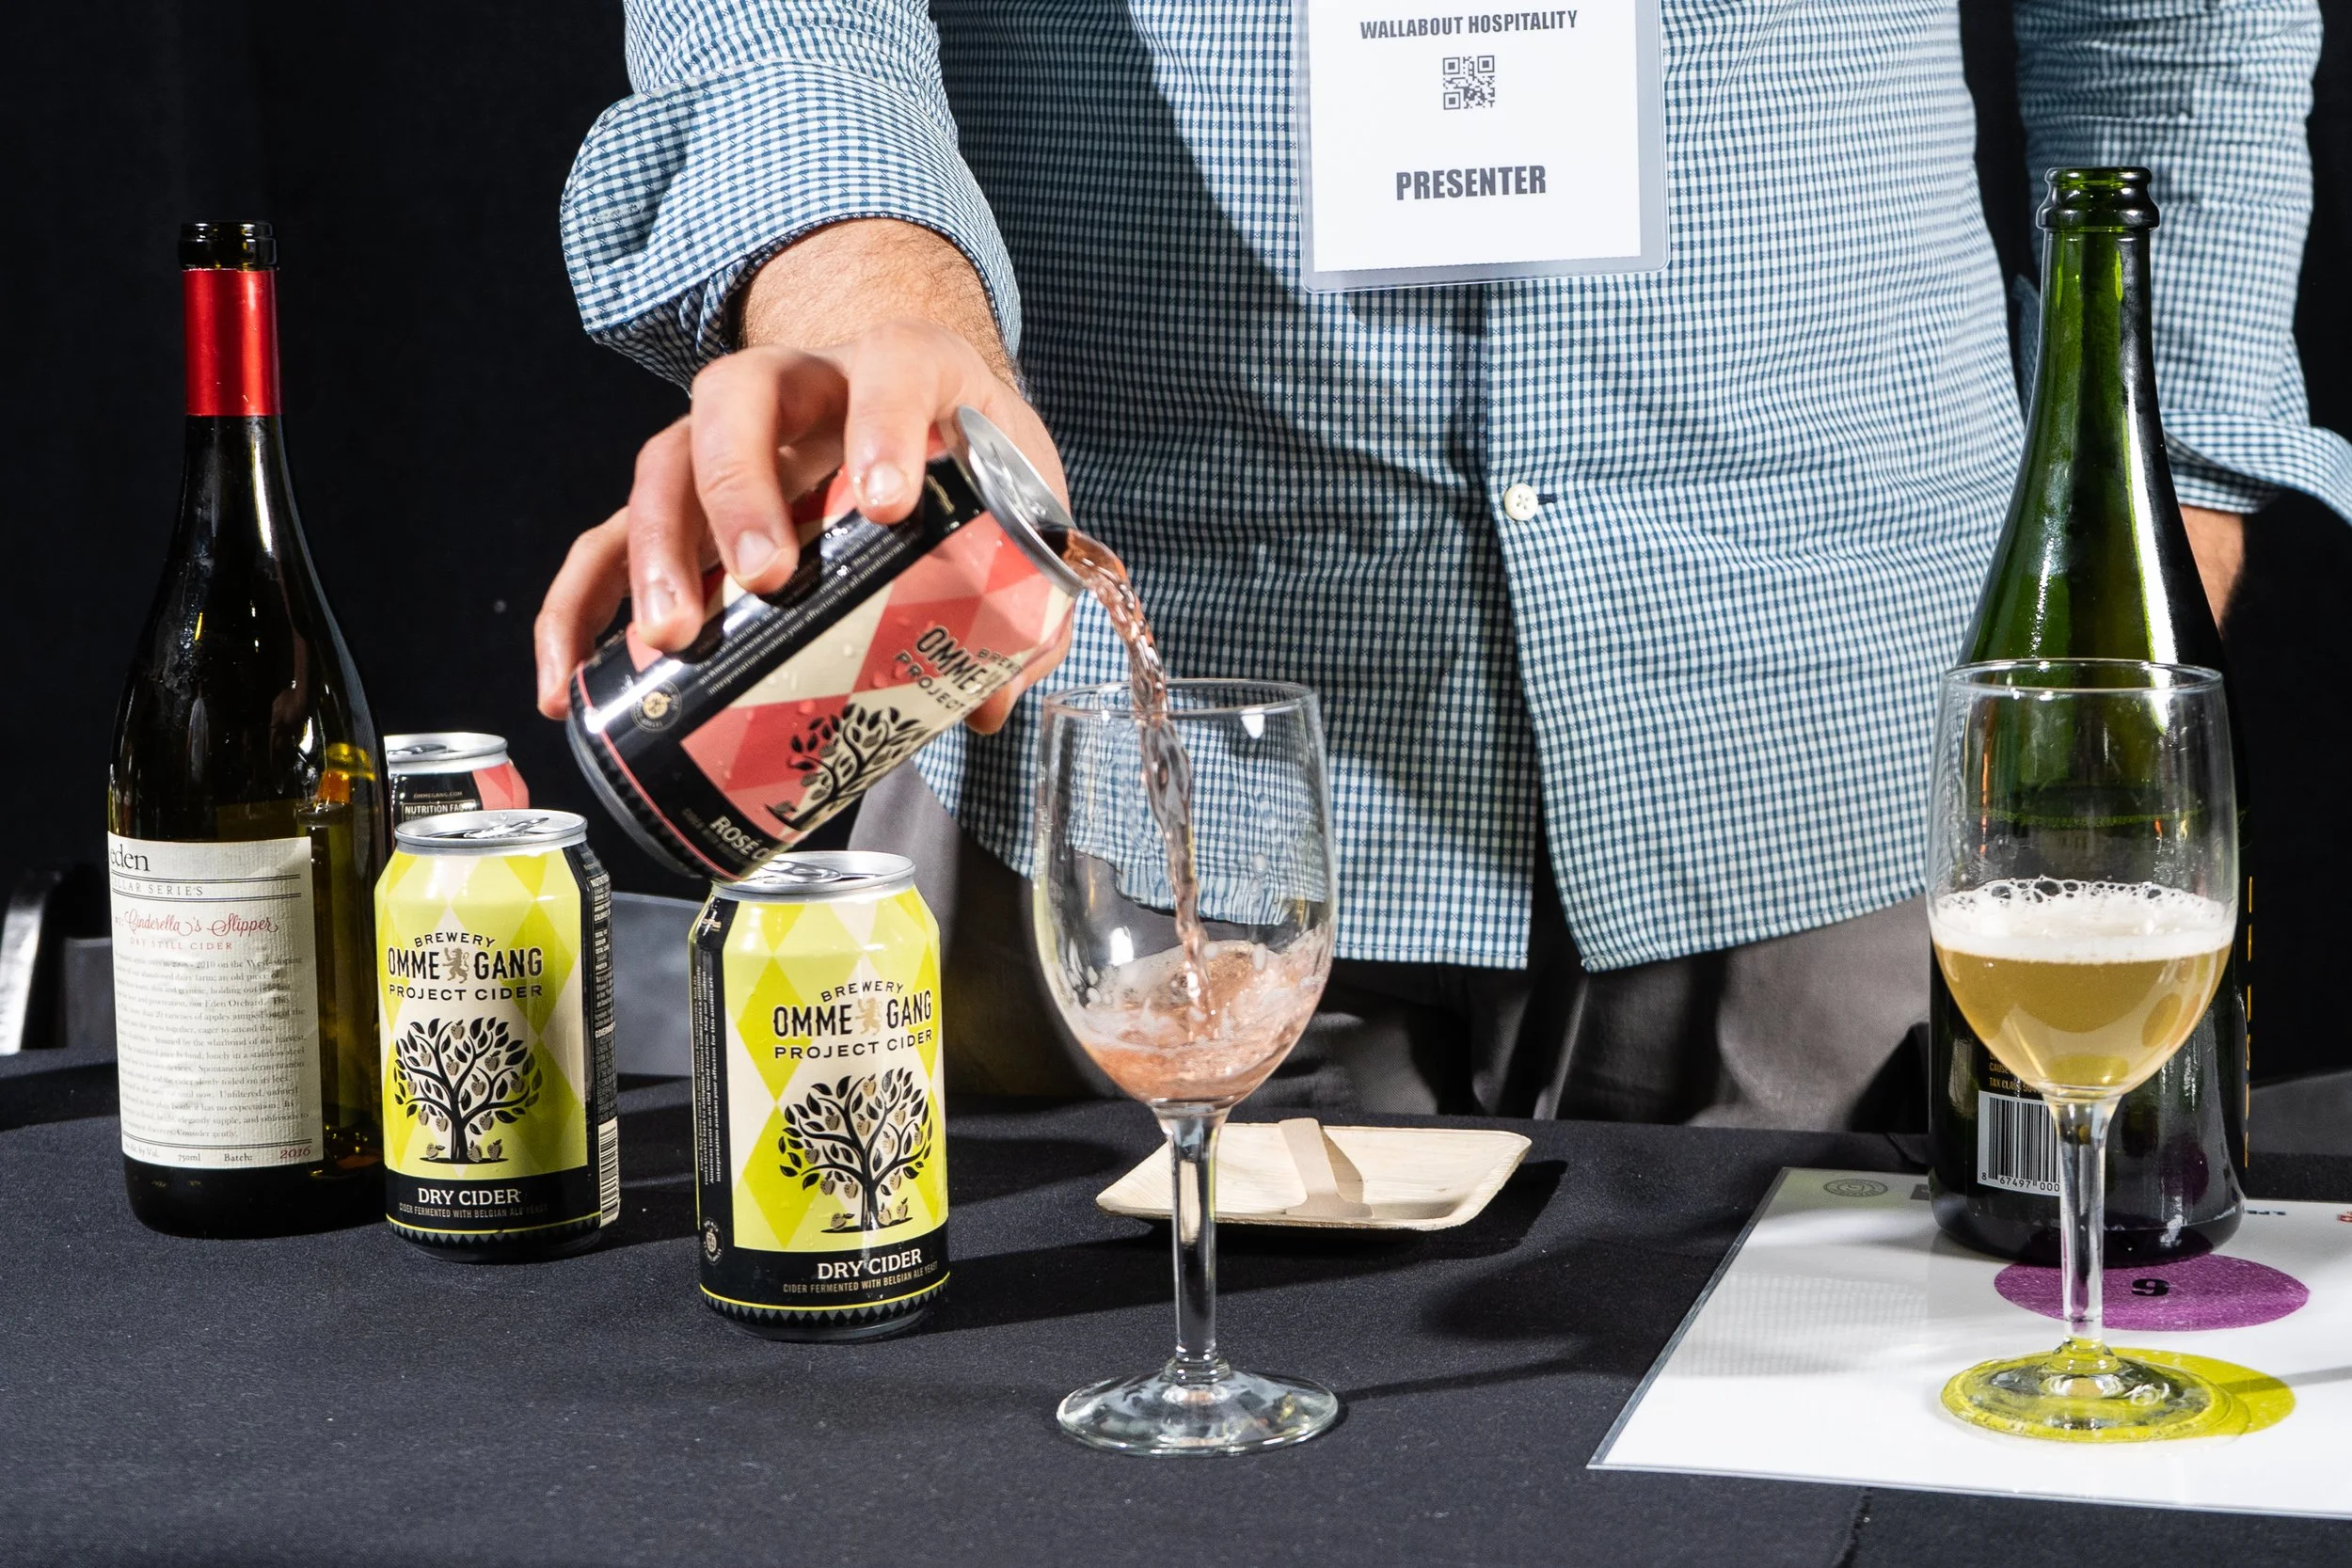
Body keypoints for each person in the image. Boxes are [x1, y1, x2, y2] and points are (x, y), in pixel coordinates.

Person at [535, 0, 2351, 1125]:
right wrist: (866, 286)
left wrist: (2156, 525)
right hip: (1148, 782)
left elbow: (2179, 21)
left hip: (1839, 720)